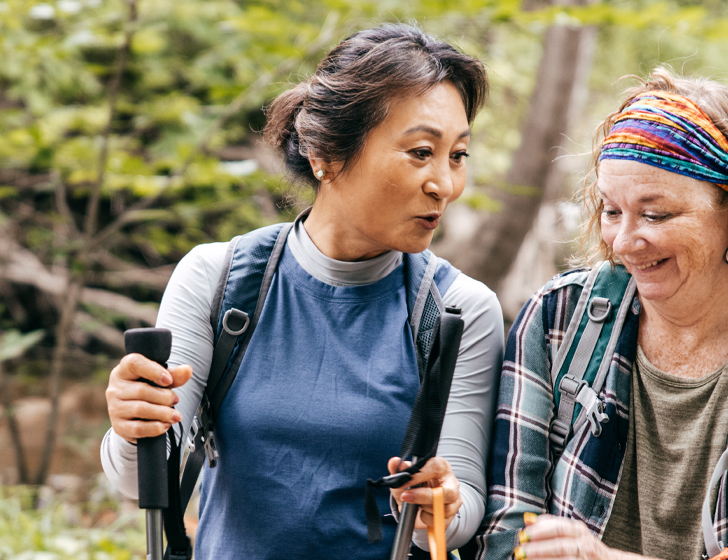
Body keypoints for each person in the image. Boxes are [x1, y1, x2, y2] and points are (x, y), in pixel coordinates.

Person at [99, 24, 504, 558]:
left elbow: (466, 505)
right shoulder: (219, 281)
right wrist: (133, 425)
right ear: (326, 156)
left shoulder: (459, 310)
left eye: (458, 156)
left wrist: (444, 502)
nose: (445, 184)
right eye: (421, 152)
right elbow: (145, 482)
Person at [477, 68, 728, 560]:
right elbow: (506, 531)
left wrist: (599, 558)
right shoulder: (558, 319)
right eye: (612, 211)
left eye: (656, 214)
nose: (622, 242)